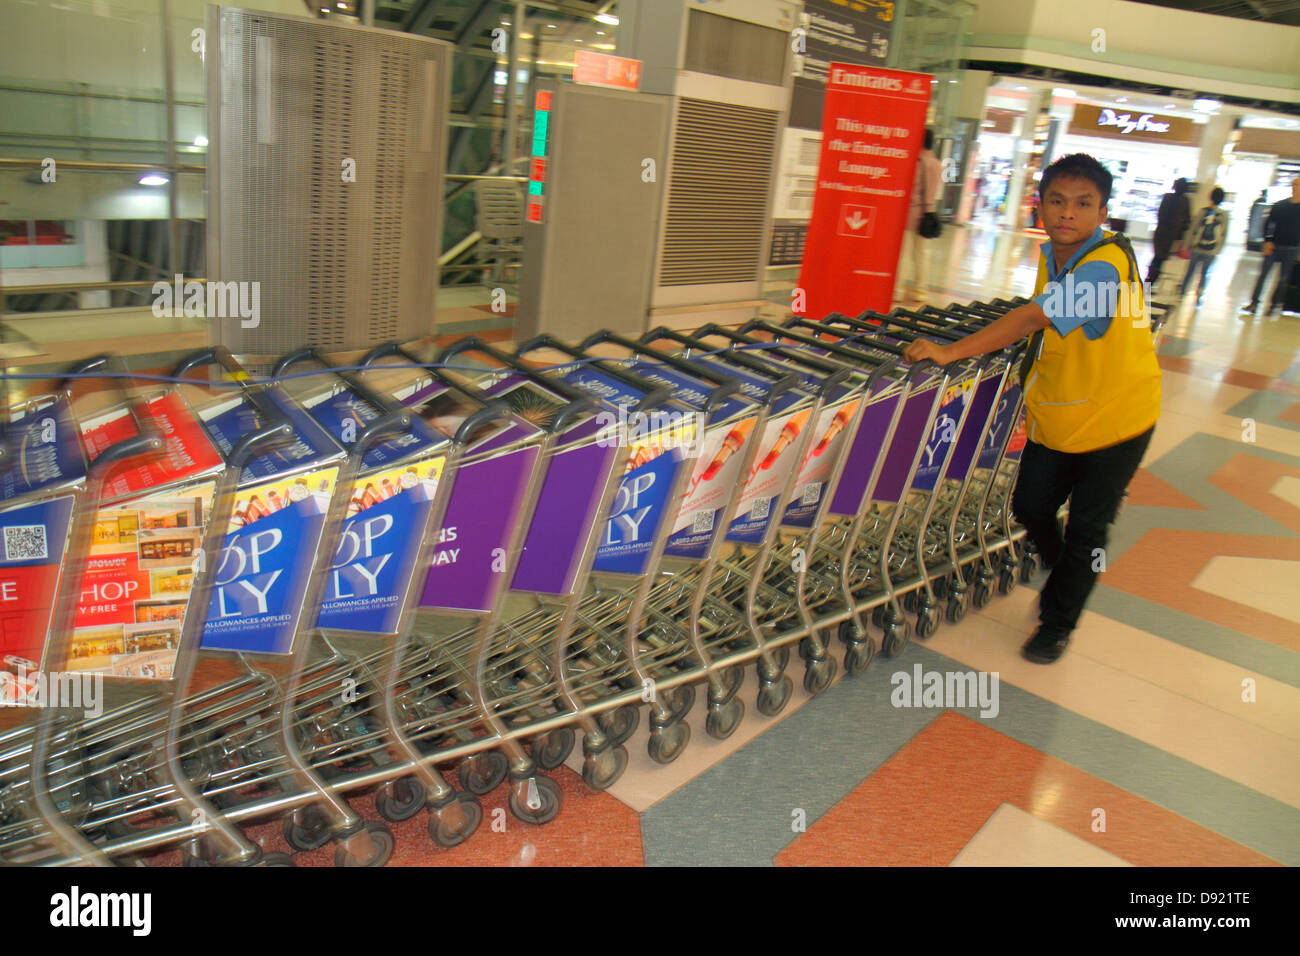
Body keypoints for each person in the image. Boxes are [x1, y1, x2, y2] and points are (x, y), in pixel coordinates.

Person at [902, 153, 1161, 664]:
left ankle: (1058, 623)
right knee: (1031, 506)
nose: (1068, 213)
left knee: (1090, 527)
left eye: (1083, 204)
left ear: (1102, 211)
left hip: (1118, 420)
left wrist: (950, 351)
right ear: (1041, 206)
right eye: (1058, 202)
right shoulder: (1056, 254)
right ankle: (1071, 575)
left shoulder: (1105, 266)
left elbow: (1034, 316)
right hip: (1061, 414)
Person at [897, 128, 944, 304]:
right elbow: (933, 191)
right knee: (922, 253)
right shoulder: (937, 164)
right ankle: (920, 290)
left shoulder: (915, 163)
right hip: (928, 214)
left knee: (903, 253)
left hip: (910, 212)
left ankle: (898, 290)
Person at [1242, 177, 1300, 316]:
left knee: (1284, 278)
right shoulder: (1280, 206)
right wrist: (1267, 241)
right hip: (1275, 245)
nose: (1295, 187)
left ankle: (1274, 305)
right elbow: (1269, 225)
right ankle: (1254, 303)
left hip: (1292, 248)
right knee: (1263, 275)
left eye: (1298, 185)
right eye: (1294, 184)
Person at [1180, 186, 1229, 303]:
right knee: (1205, 273)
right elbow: (1224, 233)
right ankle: (1199, 294)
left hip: (1197, 247)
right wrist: (1218, 249)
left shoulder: (1203, 212)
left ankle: (1182, 293)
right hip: (1211, 250)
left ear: (1210, 197)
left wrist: (1186, 245)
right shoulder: (1224, 215)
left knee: (1190, 271)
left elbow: (1193, 229)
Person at [1146, 177, 1191, 287]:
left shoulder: (1167, 198)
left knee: (1157, 258)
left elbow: (1160, 214)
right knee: (1159, 259)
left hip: (1161, 233)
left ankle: (1150, 281)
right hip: (1171, 237)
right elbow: (1186, 220)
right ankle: (1151, 282)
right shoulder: (1184, 201)